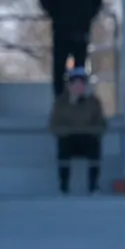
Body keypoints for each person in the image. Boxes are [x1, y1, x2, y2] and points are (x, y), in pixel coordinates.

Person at [39, 0, 103, 97]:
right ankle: (60, 101)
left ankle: (79, 102)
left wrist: (88, 16)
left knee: (80, 70)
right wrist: (56, 14)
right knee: (59, 69)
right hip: (61, 31)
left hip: (81, 31)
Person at [50, 66, 106, 194]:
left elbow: (102, 124)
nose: (79, 87)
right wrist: (72, 104)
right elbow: (54, 126)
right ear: (69, 86)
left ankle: (93, 185)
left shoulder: (93, 102)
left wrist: (91, 131)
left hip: (87, 138)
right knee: (63, 146)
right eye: (76, 84)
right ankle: (63, 185)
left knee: (95, 146)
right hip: (69, 138)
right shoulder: (60, 103)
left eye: (82, 83)